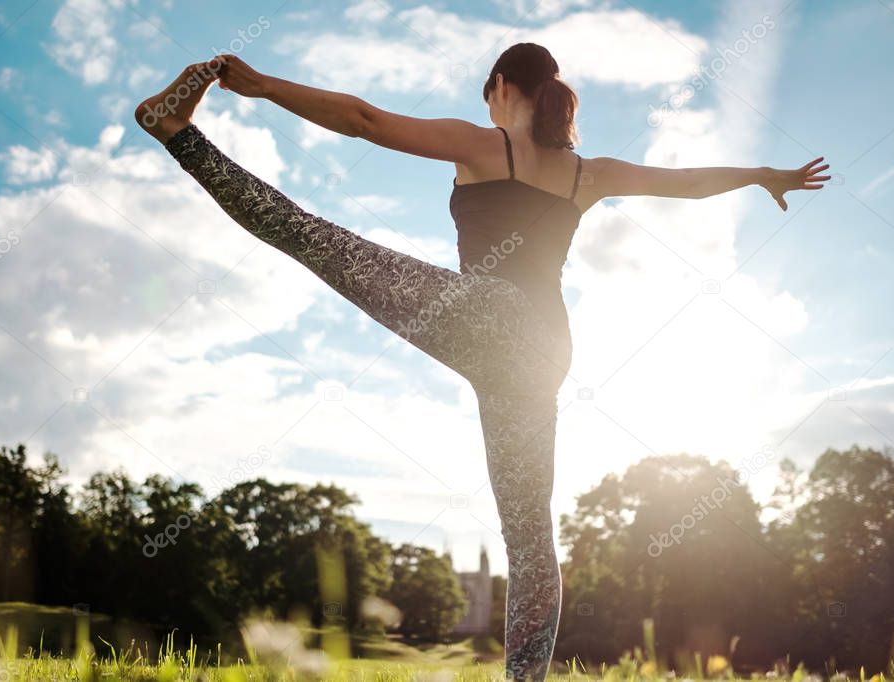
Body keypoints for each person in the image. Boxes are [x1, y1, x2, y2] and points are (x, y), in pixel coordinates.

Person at [135, 42, 830, 681]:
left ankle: (173, 130)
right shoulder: (588, 172)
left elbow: (362, 118)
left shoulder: (484, 145)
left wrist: (259, 86)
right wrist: (763, 174)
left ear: (501, 86)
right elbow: (683, 182)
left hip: (487, 317)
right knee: (530, 535)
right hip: (546, 352)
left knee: (312, 236)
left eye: (487, 94)